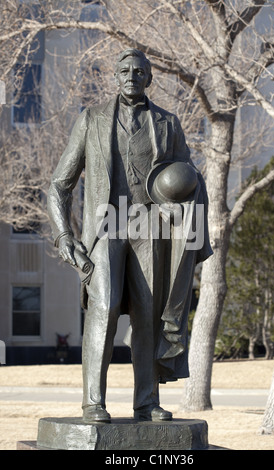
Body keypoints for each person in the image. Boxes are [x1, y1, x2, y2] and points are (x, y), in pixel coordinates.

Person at [48, 48, 212, 423]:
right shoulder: (90, 120)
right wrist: (64, 237)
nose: (132, 76)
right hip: (105, 228)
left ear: (150, 78)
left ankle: (146, 401)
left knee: (149, 316)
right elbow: (59, 185)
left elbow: (187, 181)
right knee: (103, 309)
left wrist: (183, 209)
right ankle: (93, 402)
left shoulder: (168, 124)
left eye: (140, 71)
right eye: (125, 70)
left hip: (149, 228)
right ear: (115, 76)